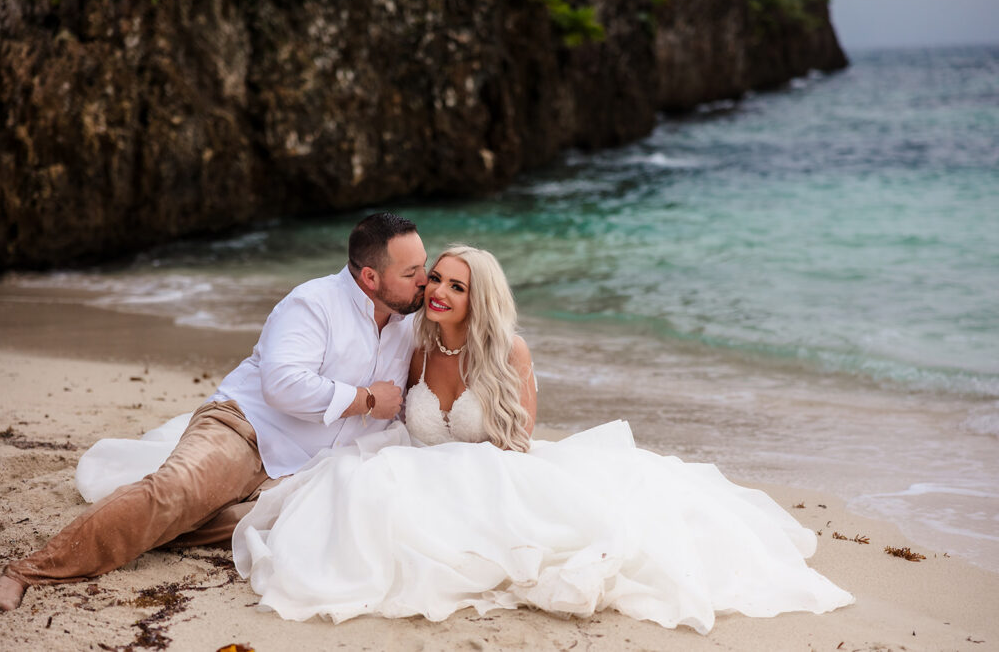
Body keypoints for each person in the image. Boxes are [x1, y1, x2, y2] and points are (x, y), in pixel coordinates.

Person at [230, 246, 855, 634]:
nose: (438, 293)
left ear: (481, 298)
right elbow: (391, 408)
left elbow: (519, 440)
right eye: (435, 280)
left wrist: (467, 484)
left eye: (456, 286)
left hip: (496, 473)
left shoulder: (508, 350)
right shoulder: (417, 346)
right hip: (420, 468)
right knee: (351, 509)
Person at [0, 212, 429, 611]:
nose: (425, 280)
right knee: (175, 493)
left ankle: (139, 527)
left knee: (254, 528)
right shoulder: (312, 303)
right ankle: (27, 572)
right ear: (370, 277)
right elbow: (283, 385)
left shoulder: (408, 320)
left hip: (305, 468)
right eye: (412, 272)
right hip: (246, 429)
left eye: (424, 266)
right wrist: (366, 399)